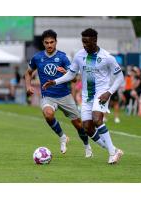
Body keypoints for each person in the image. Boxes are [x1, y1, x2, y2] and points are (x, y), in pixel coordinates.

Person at [43, 28, 124, 164]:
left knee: (97, 119)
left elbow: (120, 78)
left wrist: (109, 92)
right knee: (87, 127)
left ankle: (112, 155)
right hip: (87, 96)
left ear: (95, 40)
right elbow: (71, 74)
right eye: (83, 42)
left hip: (101, 93)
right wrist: (55, 81)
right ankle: (115, 150)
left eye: (87, 42)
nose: (84, 45)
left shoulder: (107, 57)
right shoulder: (80, 55)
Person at [24, 29, 92, 157]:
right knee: (48, 115)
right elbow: (27, 73)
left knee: (78, 124)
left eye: (52, 42)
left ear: (56, 42)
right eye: (46, 42)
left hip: (65, 96)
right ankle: (62, 137)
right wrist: (28, 86)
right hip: (48, 96)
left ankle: (87, 146)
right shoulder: (37, 57)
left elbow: (74, 79)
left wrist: (64, 73)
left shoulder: (63, 57)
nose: (49, 45)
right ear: (43, 43)